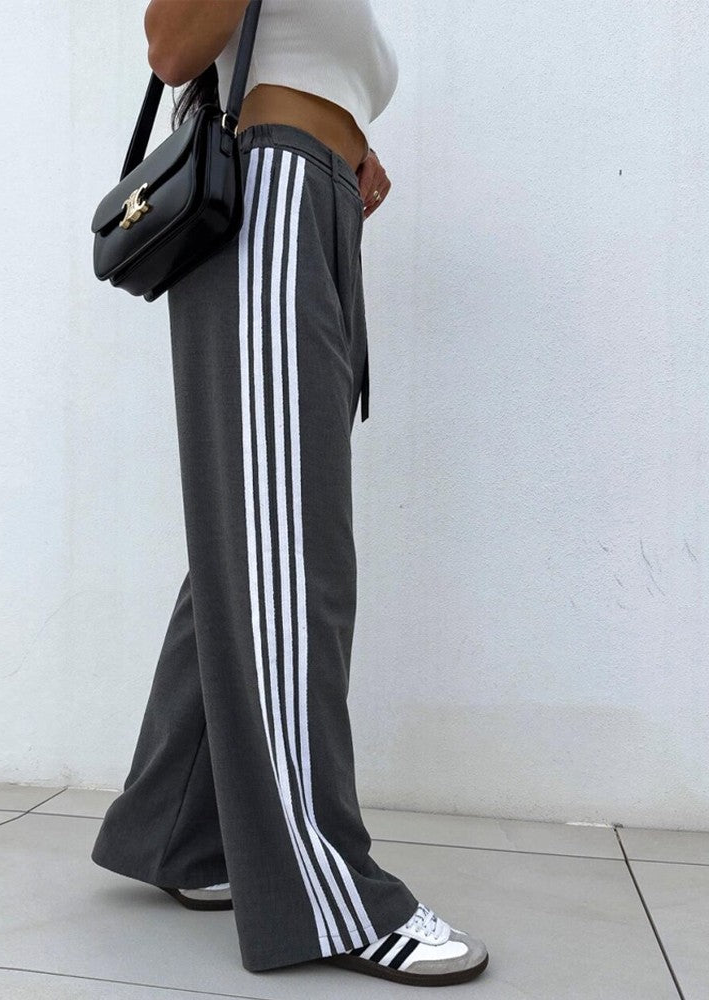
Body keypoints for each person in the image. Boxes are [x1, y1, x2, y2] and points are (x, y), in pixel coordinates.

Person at [91, 0, 489, 987]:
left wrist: (350, 144)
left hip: (308, 194)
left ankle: (175, 833)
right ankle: (324, 893)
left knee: (257, 534)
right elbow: (171, 45)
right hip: (263, 193)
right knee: (285, 547)